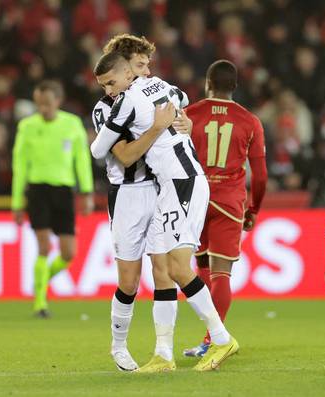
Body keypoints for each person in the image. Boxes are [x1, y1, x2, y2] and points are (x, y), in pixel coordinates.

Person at [91, 52, 238, 372]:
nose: (108, 91)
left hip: (180, 183)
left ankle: (221, 337)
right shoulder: (158, 86)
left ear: (128, 74)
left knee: (176, 266)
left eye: (111, 83)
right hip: (160, 187)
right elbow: (181, 97)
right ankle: (162, 354)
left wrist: (174, 122)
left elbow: (98, 150)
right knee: (160, 268)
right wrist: (178, 118)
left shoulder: (127, 99)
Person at [92, 34, 192, 372]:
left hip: (159, 188)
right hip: (127, 196)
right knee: (130, 282)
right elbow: (123, 154)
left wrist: (184, 123)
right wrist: (156, 129)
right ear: (122, 67)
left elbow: (181, 107)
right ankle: (118, 346)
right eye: (139, 65)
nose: (145, 72)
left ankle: (164, 351)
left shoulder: (149, 94)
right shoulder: (105, 108)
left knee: (164, 272)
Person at [183, 60, 268, 358]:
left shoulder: (189, 114)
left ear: (207, 83)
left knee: (200, 267)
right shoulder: (249, 121)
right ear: (234, 86)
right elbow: (261, 175)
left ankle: (209, 339)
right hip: (230, 203)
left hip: (195, 200)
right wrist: (254, 208)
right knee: (221, 274)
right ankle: (213, 340)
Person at [11, 80, 94, 318]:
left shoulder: (72, 124)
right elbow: (20, 165)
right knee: (44, 247)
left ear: (58, 101)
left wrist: (87, 193)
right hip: (37, 191)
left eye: (47, 104)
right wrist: (17, 203)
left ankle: (41, 281)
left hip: (64, 191)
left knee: (69, 253)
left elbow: (82, 160)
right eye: (39, 104)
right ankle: (40, 303)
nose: (43, 109)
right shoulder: (27, 126)